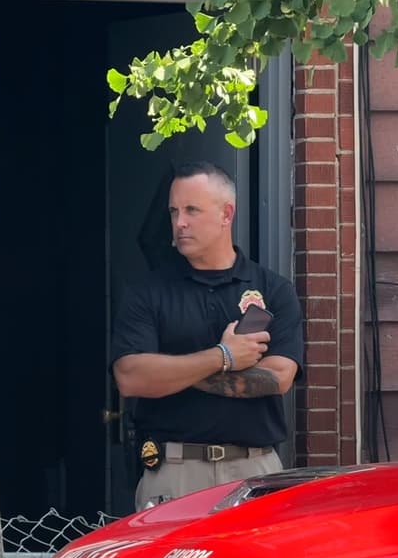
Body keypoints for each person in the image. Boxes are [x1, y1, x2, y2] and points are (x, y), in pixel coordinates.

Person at [111, 160, 304, 510]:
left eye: (191, 210)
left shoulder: (272, 290)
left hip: (254, 469)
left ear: (226, 214)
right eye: (174, 211)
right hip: (173, 472)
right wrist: (224, 356)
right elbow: (131, 377)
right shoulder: (147, 292)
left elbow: (278, 378)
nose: (179, 222)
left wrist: (174, 371)